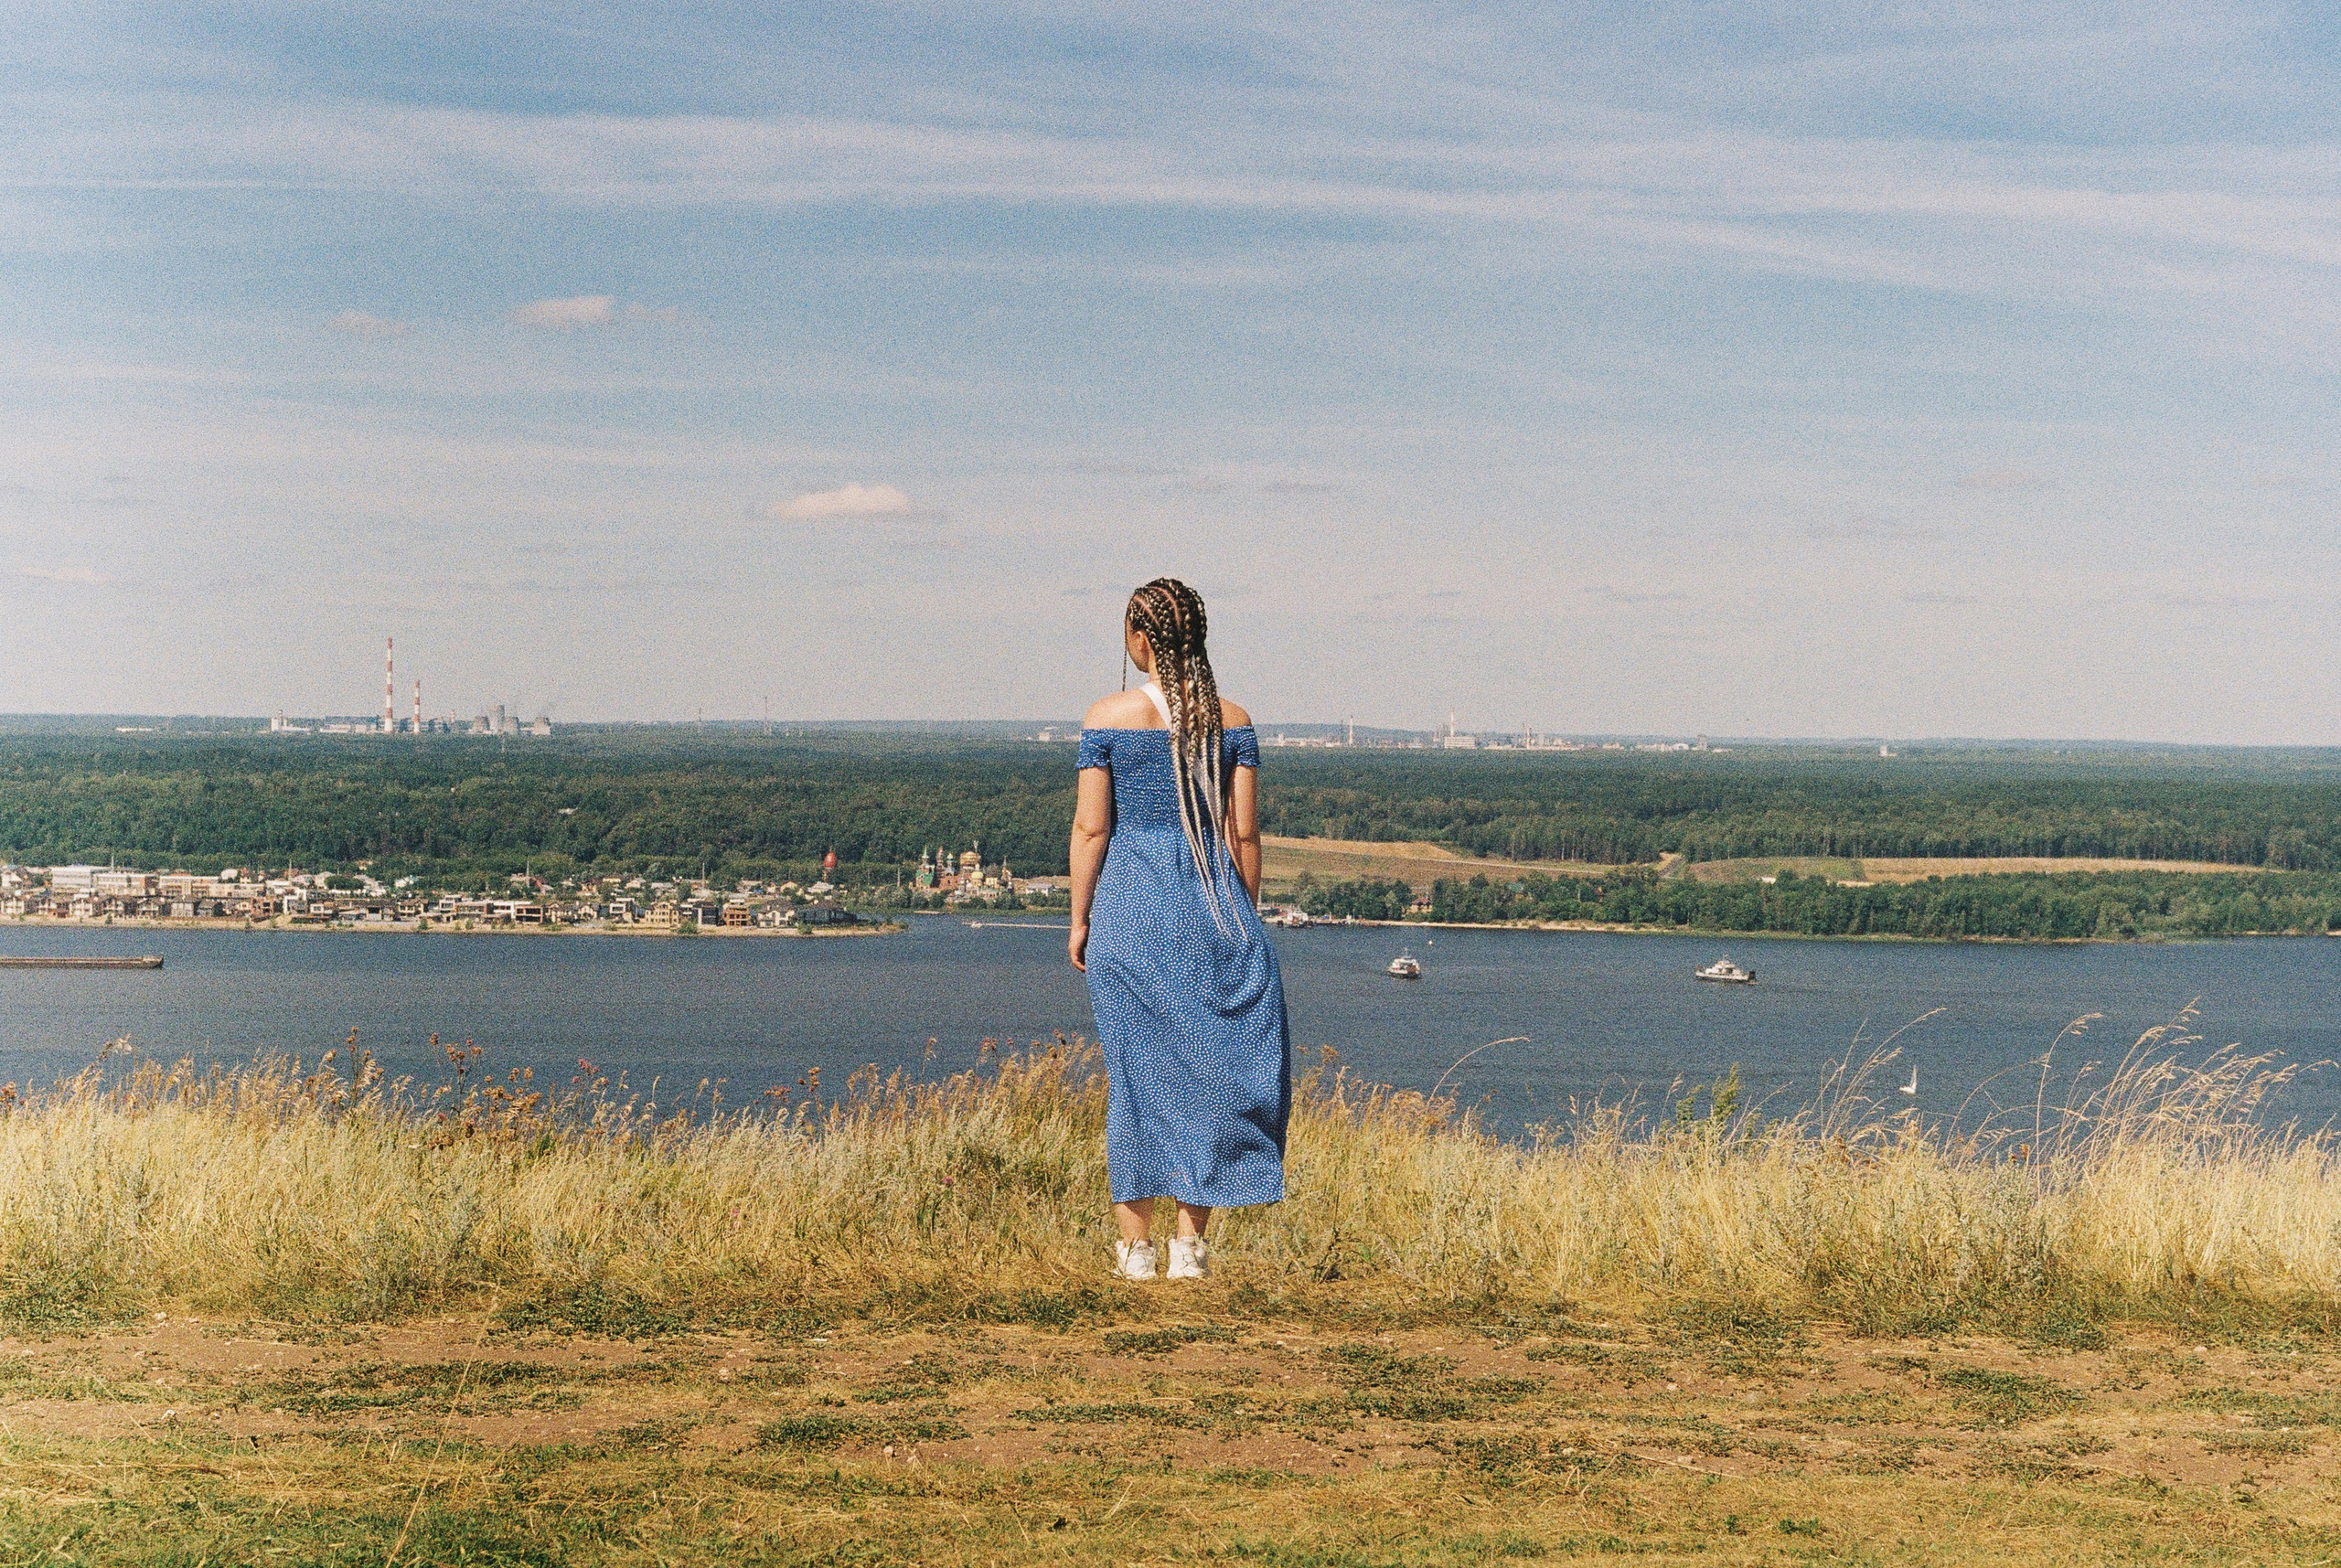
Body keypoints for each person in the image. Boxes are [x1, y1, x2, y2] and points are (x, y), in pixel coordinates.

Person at [1068, 577, 1291, 1283]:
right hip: (1211, 906)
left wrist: (1079, 917)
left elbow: (1092, 828)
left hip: (1129, 909)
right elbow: (1243, 833)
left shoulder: (1107, 716)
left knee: (1135, 1079)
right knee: (1211, 1075)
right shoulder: (1233, 719)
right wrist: (1241, 916)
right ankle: (1188, 1249)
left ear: (1140, 638)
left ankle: (1134, 1251)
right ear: (1197, 637)